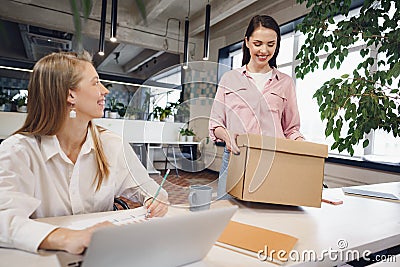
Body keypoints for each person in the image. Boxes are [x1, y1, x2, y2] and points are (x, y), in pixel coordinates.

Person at [0, 51, 168, 254]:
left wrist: (155, 199)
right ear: (70, 95)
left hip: (103, 254)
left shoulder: (112, 144)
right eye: (95, 83)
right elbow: (4, 219)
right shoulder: (18, 151)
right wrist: (66, 237)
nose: (104, 91)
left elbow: (149, 190)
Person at [209, 15, 304, 198]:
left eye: (270, 44)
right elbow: (215, 123)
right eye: (258, 43)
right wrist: (227, 136)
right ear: (247, 42)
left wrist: (306, 151)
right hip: (236, 158)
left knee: (266, 217)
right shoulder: (230, 79)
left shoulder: (285, 83)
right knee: (228, 216)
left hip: (274, 160)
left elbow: (291, 129)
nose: (264, 50)